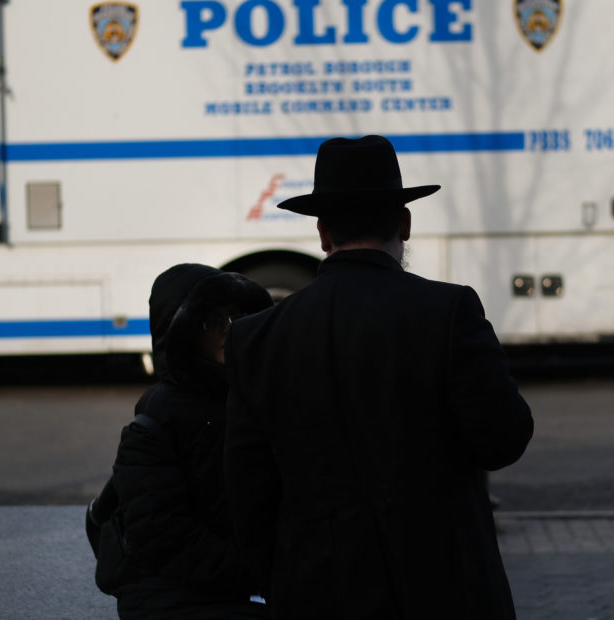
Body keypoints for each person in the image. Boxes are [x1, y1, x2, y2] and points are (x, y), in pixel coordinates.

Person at [224, 135, 534, 619]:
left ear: (323, 234)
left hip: (318, 592)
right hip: (445, 588)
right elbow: (504, 441)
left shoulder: (256, 338)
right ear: (405, 223)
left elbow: (249, 495)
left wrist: (282, 582)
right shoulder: (449, 312)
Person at [87, 263, 273, 620]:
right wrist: (258, 571)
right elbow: (160, 535)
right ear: (181, 331)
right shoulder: (157, 418)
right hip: (170, 597)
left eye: (235, 317)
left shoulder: (251, 396)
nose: (227, 329)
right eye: (210, 321)